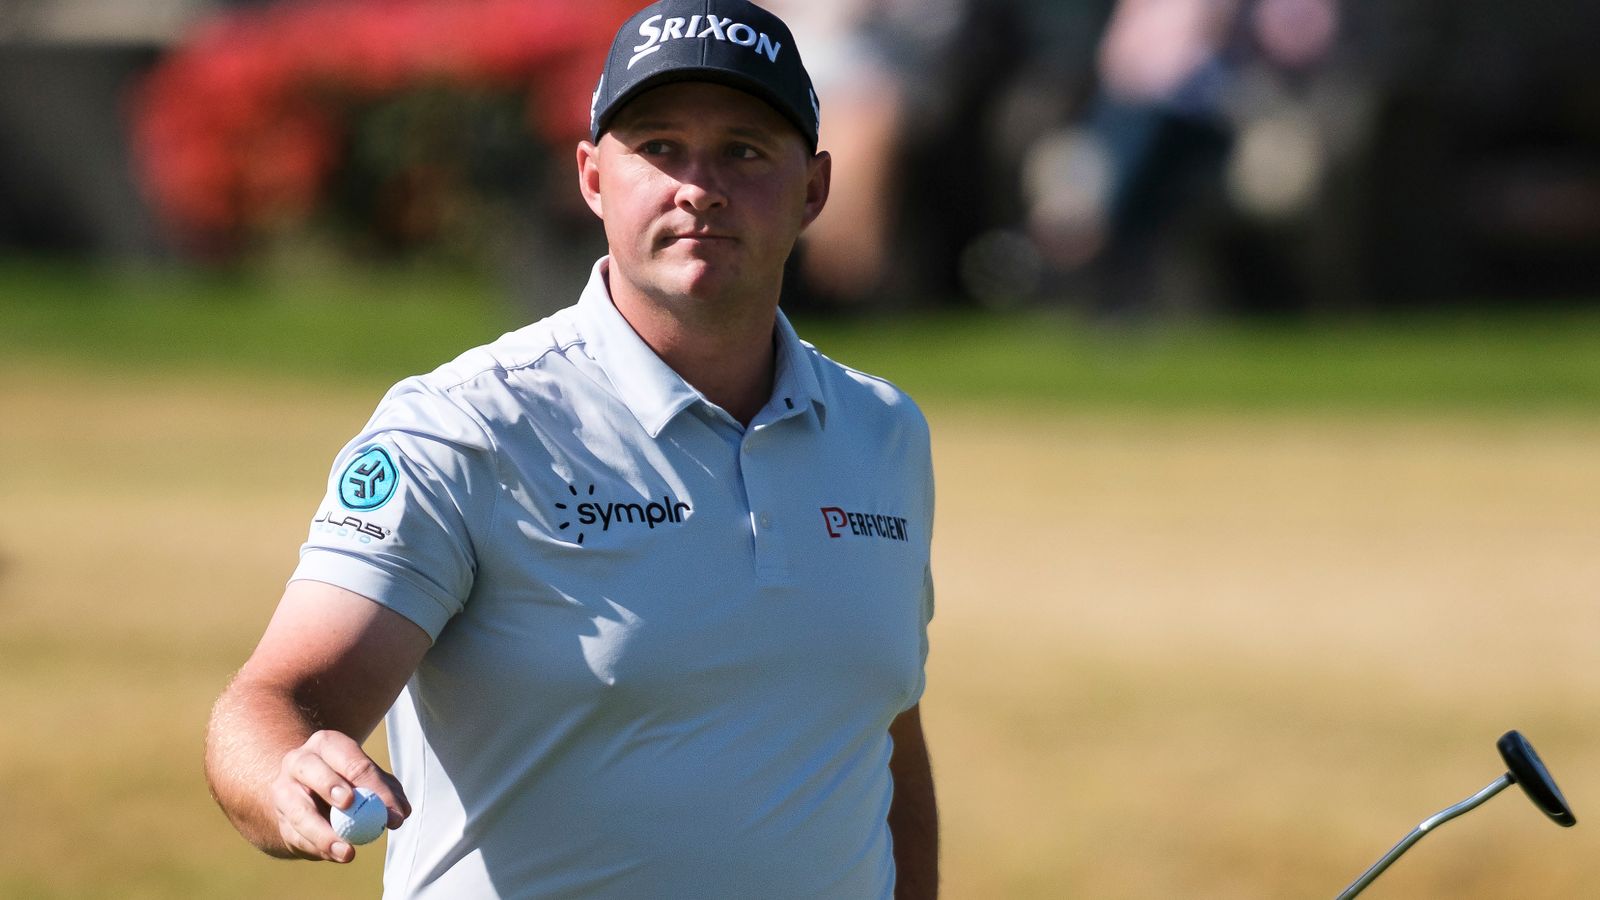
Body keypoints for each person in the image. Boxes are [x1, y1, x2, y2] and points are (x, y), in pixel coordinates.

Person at [202, 1, 939, 897]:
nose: (698, 186)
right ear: (593, 178)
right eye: (659, 147)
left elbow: (876, 736)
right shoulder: (465, 427)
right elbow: (274, 701)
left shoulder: (882, 431)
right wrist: (288, 775)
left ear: (814, 189)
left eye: (744, 151)